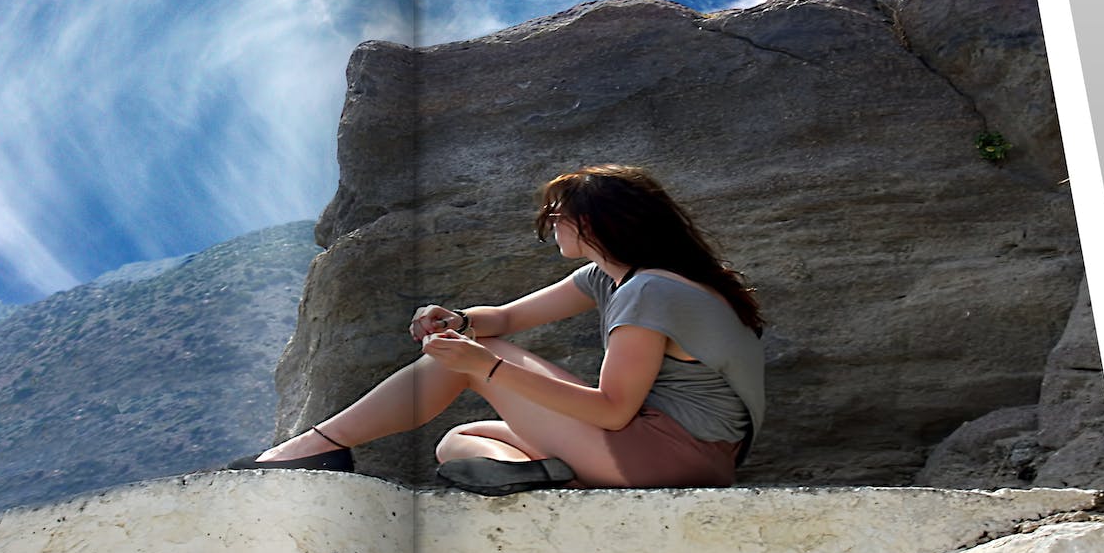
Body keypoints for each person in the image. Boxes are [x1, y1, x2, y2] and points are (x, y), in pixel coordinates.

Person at [230, 164, 765, 496]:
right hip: (669, 454)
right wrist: (459, 320)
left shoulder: (652, 290)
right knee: (461, 442)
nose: (549, 226)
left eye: (555, 216)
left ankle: (316, 449)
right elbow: (507, 317)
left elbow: (611, 410)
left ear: (595, 222)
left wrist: (482, 366)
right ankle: (562, 479)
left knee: (474, 356)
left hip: (670, 454)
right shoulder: (612, 279)